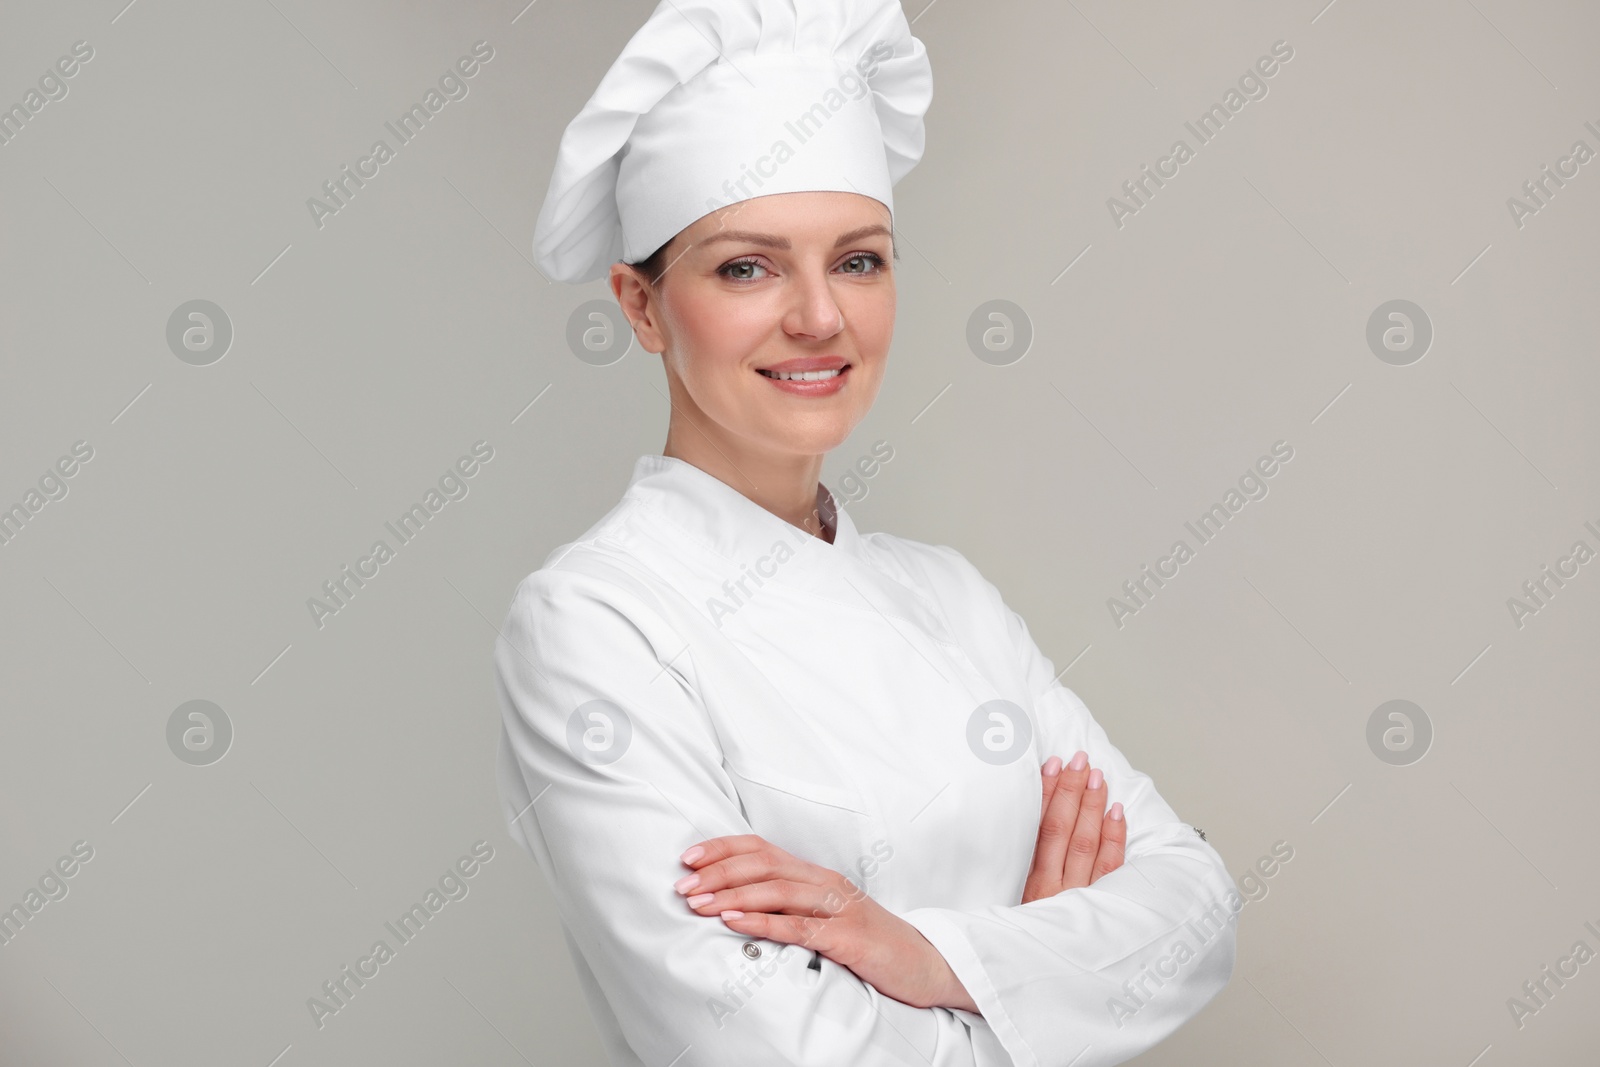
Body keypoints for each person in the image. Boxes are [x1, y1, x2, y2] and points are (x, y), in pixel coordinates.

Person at [493, 2, 1237, 1064]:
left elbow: (1197, 906)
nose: (818, 317)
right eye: (746, 267)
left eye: (858, 260)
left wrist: (927, 954)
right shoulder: (593, 623)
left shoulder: (950, 596)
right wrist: (1038, 979)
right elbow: (766, 1048)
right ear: (642, 305)